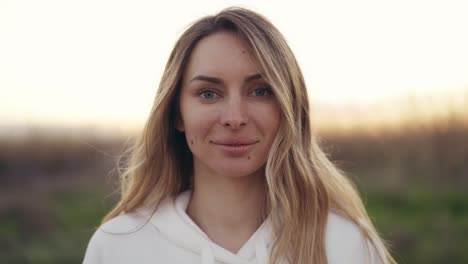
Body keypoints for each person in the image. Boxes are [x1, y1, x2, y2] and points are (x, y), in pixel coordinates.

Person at [83, 7, 396, 264]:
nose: (234, 118)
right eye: (208, 93)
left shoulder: (344, 244)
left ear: (289, 106)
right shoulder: (118, 247)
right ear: (177, 113)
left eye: (260, 91)